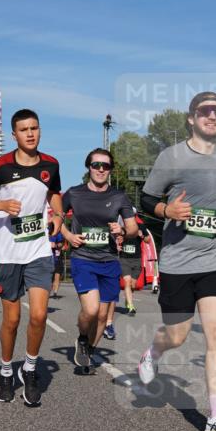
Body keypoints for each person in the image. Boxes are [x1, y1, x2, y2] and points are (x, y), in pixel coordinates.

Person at [137, 91, 216, 431]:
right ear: (191, 118)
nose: (212, 116)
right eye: (205, 111)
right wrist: (167, 211)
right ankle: (152, 353)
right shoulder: (171, 157)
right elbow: (147, 199)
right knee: (177, 335)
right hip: (178, 261)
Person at [0, 109, 64, 406]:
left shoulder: (51, 164)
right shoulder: (0, 167)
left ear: (40, 130)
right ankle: (5, 371)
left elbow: (54, 194)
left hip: (38, 249)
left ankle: (30, 368)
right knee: (11, 320)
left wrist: (58, 215)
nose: (30, 134)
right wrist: (0, 205)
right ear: (14, 135)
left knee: (38, 315)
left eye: (34, 128)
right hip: (9, 252)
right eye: (24, 129)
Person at [62, 149, 137, 369]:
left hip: (110, 260)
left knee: (103, 316)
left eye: (106, 166)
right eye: (96, 165)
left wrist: (122, 231)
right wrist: (68, 236)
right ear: (89, 167)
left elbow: (133, 228)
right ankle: (82, 338)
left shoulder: (119, 196)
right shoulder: (74, 193)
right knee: (92, 310)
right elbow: (54, 217)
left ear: (110, 170)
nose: (101, 169)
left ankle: (89, 350)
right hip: (83, 258)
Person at [49, 218, 65, 298]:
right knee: (50, 277)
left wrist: (56, 245)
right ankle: (48, 291)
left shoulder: (58, 233)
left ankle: (55, 292)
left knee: (57, 275)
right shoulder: (46, 233)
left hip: (57, 257)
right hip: (48, 258)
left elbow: (61, 244)